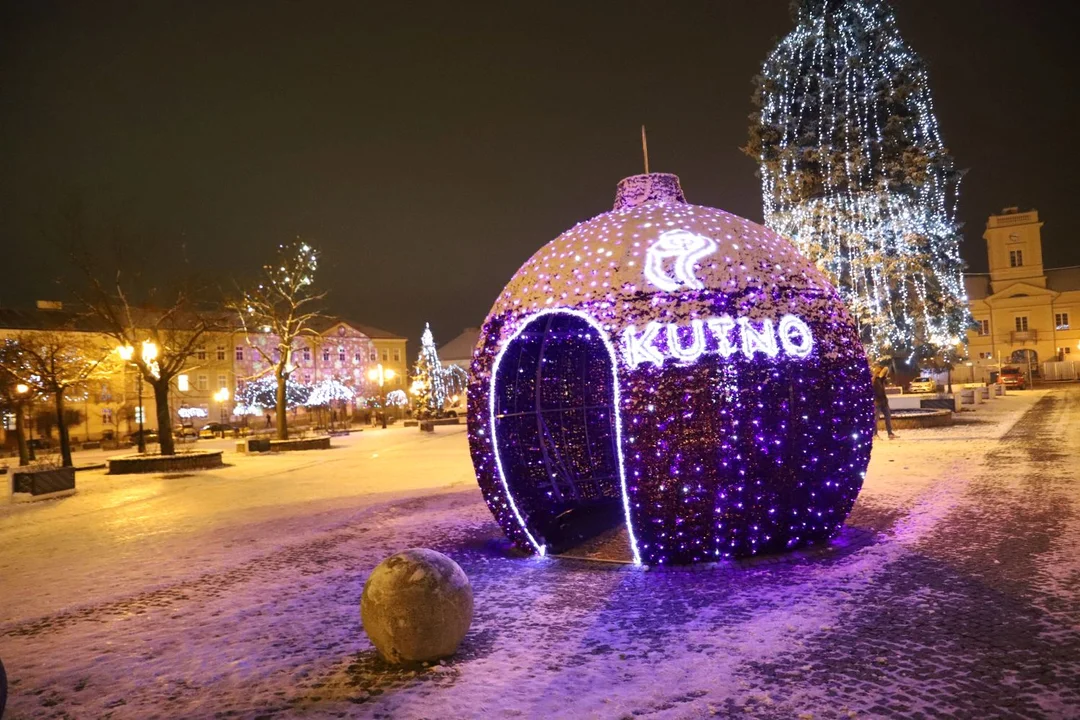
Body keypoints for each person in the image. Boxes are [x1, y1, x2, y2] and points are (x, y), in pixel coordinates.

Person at [873, 366, 897, 439]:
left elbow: (886, 369)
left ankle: (890, 434)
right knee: (875, 419)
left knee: (888, 418)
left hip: (884, 402)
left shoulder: (881, 380)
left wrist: (882, 372)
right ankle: (875, 434)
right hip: (877, 402)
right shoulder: (875, 380)